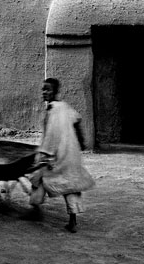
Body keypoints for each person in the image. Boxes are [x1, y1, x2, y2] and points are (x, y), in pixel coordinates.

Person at [27, 77, 94, 232]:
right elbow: (77, 121)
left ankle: (35, 209)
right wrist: (81, 142)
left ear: (55, 92)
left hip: (57, 155)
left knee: (37, 177)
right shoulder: (65, 107)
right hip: (71, 154)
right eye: (43, 89)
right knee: (70, 185)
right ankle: (73, 221)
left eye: (47, 89)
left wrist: (44, 156)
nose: (44, 92)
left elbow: (51, 136)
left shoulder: (53, 110)